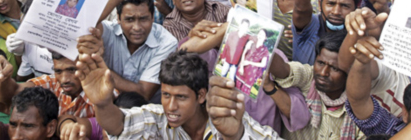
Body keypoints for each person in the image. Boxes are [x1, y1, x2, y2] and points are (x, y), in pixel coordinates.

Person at [76, 50, 282, 139]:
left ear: (201, 96)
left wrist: (235, 137)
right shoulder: (158, 118)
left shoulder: (229, 119)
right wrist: (102, 104)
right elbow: (121, 126)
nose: (171, 106)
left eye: (181, 97)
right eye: (166, 95)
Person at [236, 29, 270, 93]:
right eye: (259, 34)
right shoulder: (251, 43)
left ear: (265, 38)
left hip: (251, 74)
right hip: (242, 70)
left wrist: (249, 62)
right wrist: (241, 67)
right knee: (234, 90)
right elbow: (244, 54)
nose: (260, 36)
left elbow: (263, 64)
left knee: (243, 95)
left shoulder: (265, 50)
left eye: (262, 35)